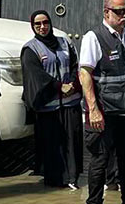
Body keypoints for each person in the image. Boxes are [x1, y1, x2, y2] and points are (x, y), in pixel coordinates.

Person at [79, 0, 125, 204]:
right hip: (104, 112)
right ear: (106, 12)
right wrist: (93, 109)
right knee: (100, 159)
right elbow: (85, 74)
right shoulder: (93, 37)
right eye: (120, 11)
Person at [21, 10, 83, 189]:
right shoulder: (30, 49)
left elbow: (74, 64)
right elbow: (35, 75)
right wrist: (58, 86)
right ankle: (54, 181)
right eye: (38, 24)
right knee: (53, 145)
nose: (42, 27)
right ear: (33, 26)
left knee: (72, 142)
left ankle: (72, 178)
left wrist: (71, 83)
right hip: (48, 107)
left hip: (70, 102)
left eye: (45, 22)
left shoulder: (64, 42)